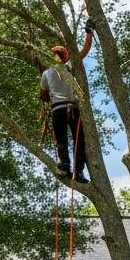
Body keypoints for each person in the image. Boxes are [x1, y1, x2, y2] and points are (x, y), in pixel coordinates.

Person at [39, 21, 94, 182]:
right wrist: (88, 32)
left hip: (58, 110)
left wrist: (49, 94)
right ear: (65, 57)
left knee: (61, 139)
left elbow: (43, 95)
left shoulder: (46, 74)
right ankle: (78, 172)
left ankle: (64, 166)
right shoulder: (69, 66)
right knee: (79, 141)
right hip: (72, 109)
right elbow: (84, 51)